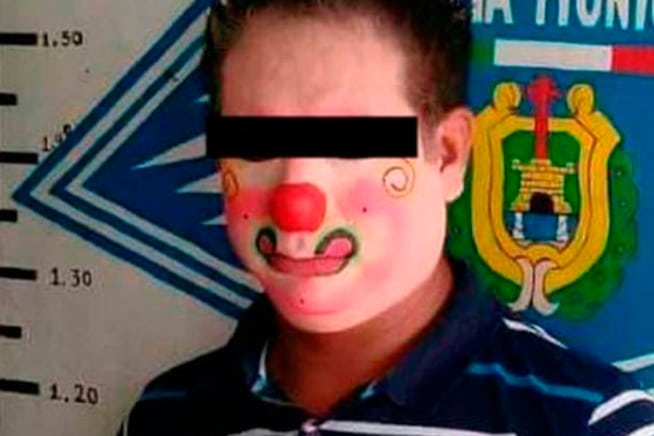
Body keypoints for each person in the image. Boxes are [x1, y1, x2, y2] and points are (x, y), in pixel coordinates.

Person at [119, 1, 654, 435]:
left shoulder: (592, 423)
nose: (295, 205)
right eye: (257, 145)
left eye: (352, 144)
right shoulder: (164, 416)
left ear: (447, 156)